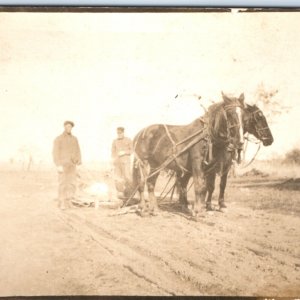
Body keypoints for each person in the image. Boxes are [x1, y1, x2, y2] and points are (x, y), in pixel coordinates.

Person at [52, 121, 81, 210]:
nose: (69, 128)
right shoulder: (58, 139)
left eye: (70, 127)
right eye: (67, 126)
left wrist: (78, 162)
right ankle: (61, 202)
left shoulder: (74, 139)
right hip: (63, 165)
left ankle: (69, 202)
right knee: (62, 184)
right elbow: (55, 153)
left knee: (72, 184)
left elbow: (78, 151)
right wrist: (58, 165)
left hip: (72, 165)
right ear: (64, 127)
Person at [111, 127, 133, 197]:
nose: (119, 134)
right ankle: (120, 193)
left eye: (120, 133)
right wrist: (113, 159)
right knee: (118, 178)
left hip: (126, 162)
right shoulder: (115, 141)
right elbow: (113, 152)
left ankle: (129, 193)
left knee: (127, 177)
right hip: (117, 163)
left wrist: (124, 152)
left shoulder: (128, 140)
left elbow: (132, 151)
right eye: (118, 133)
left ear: (123, 133)